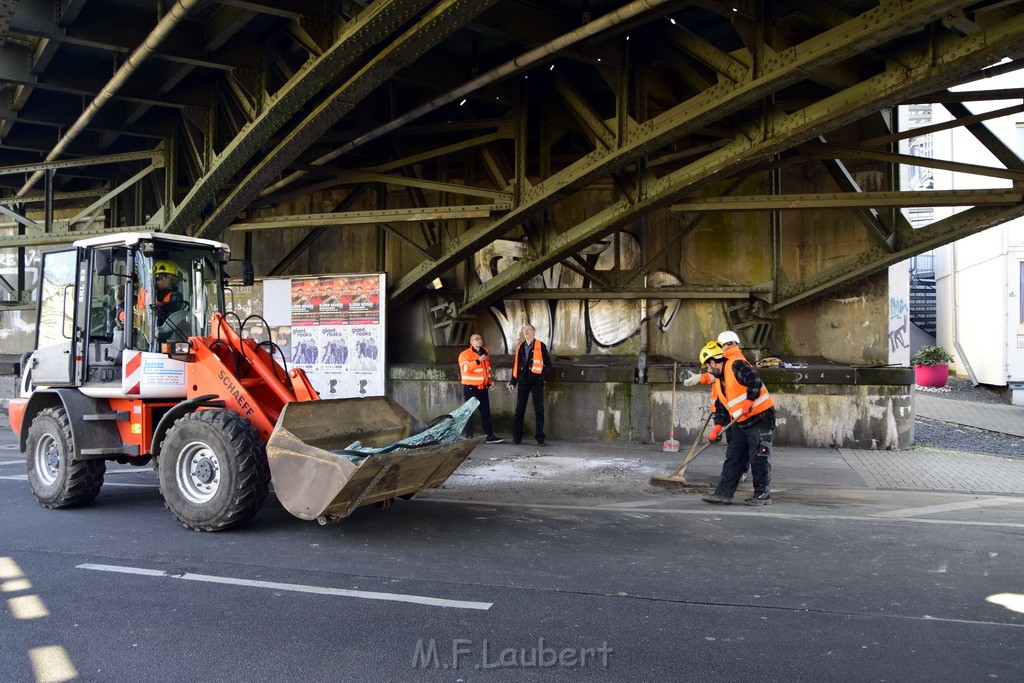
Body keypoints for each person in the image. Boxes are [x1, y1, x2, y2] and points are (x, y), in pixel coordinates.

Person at [698, 340, 777, 506]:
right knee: (734, 457)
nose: (708, 370)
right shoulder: (720, 381)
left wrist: (750, 400)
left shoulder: (735, 364)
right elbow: (721, 406)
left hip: (760, 419)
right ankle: (723, 493)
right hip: (742, 422)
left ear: (713, 362)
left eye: (708, 366)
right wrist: (718, 426)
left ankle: (762, 495)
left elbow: (754, 379)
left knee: (758, 458)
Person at [508, 323, 551, 446]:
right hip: (523, 382)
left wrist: (541, 377)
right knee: (519, 410)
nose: (525, 331)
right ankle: (517, 437)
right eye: (524, 330)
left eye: (528, 329)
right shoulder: (520, 347)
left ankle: (540, 438)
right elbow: (516, 365)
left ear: (534, 332)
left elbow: (548, 364)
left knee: (539, 410)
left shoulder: (540, 345)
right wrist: (513, 382)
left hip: (536, 382)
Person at [459, 334, 503, 444]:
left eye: (480, 338)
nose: (479, 340)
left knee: (486, 413)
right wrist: (478, 361)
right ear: (471, 342)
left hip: (483, 388)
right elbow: (466, 368)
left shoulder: (485, 354)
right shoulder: (465, 354)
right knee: (469, 413)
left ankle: (489, 436)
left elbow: (486, 371)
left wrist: (489, 382)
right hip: (471, 388)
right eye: (476, 339)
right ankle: (469, 436)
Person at [152, 260, 185, 326]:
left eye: (158, 279)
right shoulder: (156, 295)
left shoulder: (175, 297)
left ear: (163, 279)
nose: (156, 283)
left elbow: (168, 322)